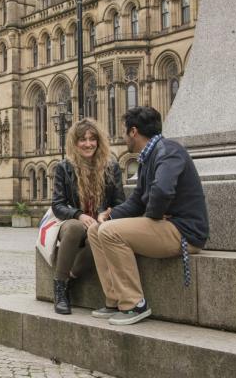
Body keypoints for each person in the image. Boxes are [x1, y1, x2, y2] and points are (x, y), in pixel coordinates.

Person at [88, 107, 209, 325]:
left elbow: (162, 191)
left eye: (124, 132)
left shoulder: (169, 150)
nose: (123, 137)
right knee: (96, 230)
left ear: (133, 132)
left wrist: (154, 214)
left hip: (183, 232)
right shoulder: (149, 156)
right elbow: (137, 201)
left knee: (109, 232)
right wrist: (111, 215)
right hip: (166, 225)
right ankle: (115, 298)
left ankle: (134, 304)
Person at [50, 118, 125, 315]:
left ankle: (70, 276)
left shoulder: (111, 167)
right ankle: (60, 288)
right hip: (72, 223)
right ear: (74, 143)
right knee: (75, 227)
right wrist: (78, 215)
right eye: (82, 139)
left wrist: (106, 214)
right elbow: (57, 205)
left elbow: (119, 203)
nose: (88, 144)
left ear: (99, 141)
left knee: (98, 234)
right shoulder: (64, 167)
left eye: (92, 139)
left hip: (98, 224)